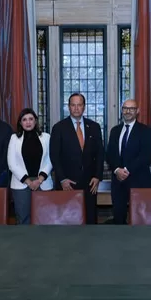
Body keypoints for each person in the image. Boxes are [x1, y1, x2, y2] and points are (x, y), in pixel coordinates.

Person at [49, 93, 104, 224]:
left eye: (79, 105)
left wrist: (97, 176)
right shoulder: (59, 127)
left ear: (84, 107)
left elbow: (100, 154)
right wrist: (62, 179)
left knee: (90, 219)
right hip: (67, 183)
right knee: (68, 220)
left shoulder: (94, 127)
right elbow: (54, 156)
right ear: (68, 107)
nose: (76, 108)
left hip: (90, 183)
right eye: (73, 105)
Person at [106, 99, 151, 224]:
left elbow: (145, 157)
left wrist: (126, 170)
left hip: (138, 181)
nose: (128, 111)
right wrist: (117, 170)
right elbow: (110, 154)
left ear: (137, 111)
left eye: (131, 108)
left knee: (139, 221)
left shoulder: (145, 131)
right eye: (125, 108)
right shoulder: (115, 131)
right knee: (118, 220)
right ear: (122, 110)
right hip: (118, 183)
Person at [7, 108, 53, 224]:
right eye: (24, 119)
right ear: (20, 122)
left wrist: (40, 179)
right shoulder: (14, 138)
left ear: (35, 121)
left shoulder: (46, 137)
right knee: (23, 220)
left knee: (44, 219)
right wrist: (28, 181)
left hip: (43, 183)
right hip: (21, 184)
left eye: (31, 119)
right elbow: (12, 163)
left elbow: (51, 160)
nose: (28, 122)